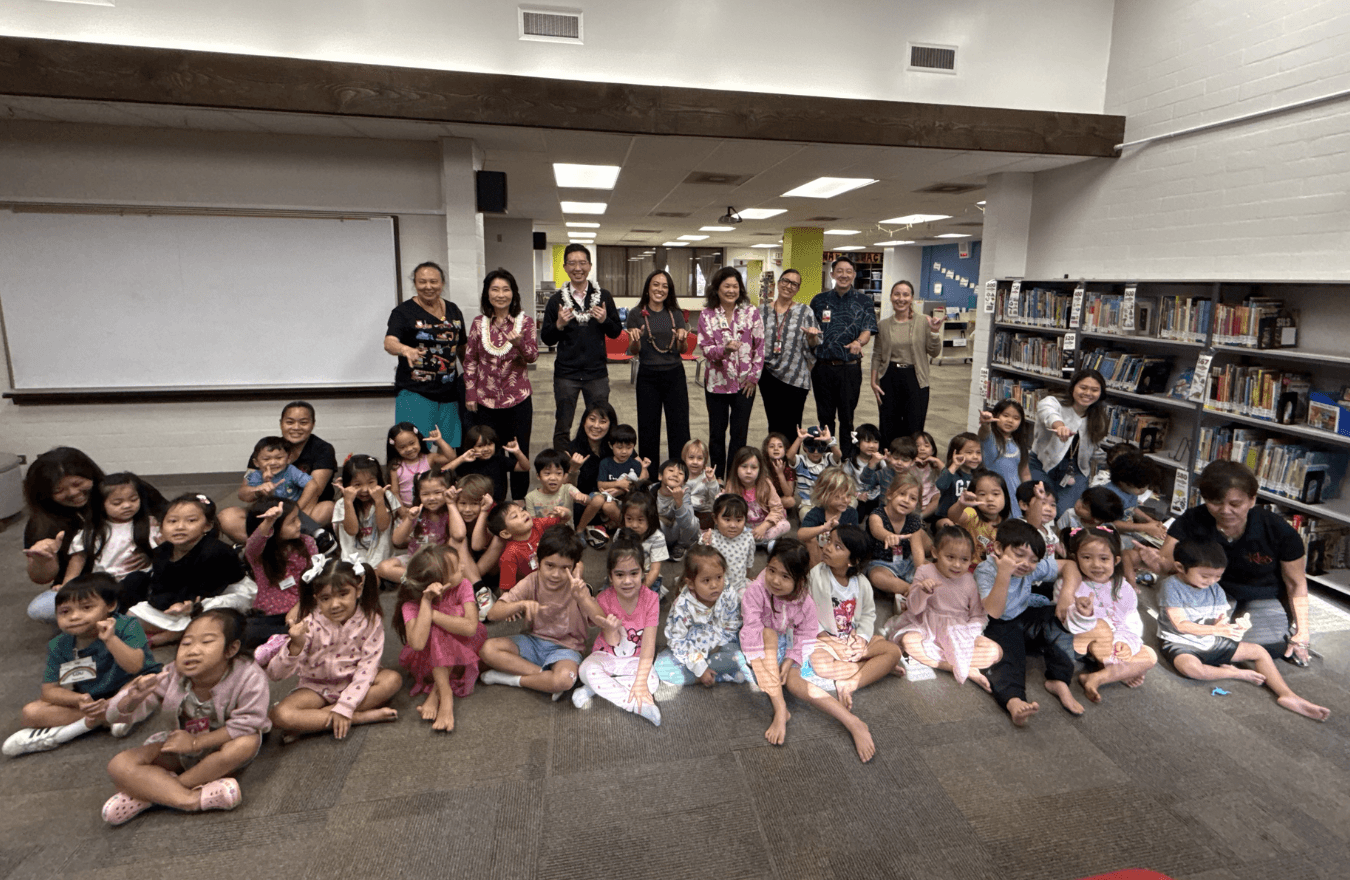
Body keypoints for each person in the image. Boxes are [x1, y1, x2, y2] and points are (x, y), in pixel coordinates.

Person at [101, 609, 268, 824]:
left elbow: (249, 723)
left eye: (206, 642)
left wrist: (197, 742)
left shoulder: (249, 675)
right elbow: (116, 717)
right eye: (186, 644)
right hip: (180, 746)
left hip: (224, 743)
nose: (192, 651)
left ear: (231, 649)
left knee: (245, 743)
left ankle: (153, 794)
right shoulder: (171, 675)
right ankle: (193, 798)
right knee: (119, 764)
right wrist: (132, 698)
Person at [1147, 460, 1314, 666]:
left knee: (1270, 647)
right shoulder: (1192, 519)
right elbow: (1166, 564)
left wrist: (1303, 632)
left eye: (1235, 504)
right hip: (1208, 589)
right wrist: (1155, 564)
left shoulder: (1278, 530)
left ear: (1252, 500)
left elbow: (1296, 584)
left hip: (1261, 593)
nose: (1225, 510)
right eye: (1215, 502)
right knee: (1200, 637)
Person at [1157, 539, 1328, 721]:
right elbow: (1181, 625)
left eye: (1217, 576)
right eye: (1205, 576)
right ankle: (1233, 672)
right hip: (1180, 642)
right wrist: (1219, 631)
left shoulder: (1215, 589)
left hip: (1210, 640)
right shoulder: (1171, 586)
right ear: (1180, 567)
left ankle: (1287, 694)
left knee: (1259, 651)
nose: (1212, 581)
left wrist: (1236, 625)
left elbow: (1220, 619)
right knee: (1191, 669)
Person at [742, 538, 876, 762]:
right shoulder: (756, 590)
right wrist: (768, 660)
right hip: (761, 642)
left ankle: (852, 721)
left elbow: (806, 634)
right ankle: (780, 708)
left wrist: (789, 660)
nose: (775, 580)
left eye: (785, 576)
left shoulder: (805, 601)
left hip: (789, 644)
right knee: (768, 634)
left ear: (800, 579)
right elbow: (751, 628)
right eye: (771, 571)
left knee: (795, 682)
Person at [4, 574, 160, 757]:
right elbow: (49, 691)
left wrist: (110, 640)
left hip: (129, 685)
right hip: (93, 699)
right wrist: (80, 700)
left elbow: (134, 666)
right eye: (64, 612)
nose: (74, 616)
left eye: (86, 608)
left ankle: (67, 732)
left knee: (147, 683)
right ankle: (112, 717)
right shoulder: (59, 644)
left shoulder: (127, 625)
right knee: (30, 713)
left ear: (110, 606)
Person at [266, 559, 402, 741]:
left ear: (359, 589)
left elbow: (367, 667)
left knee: (392, 680)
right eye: (325, 598)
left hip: (356, 682)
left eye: (343, 594)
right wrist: (295, 646)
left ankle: (317, 721)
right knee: (279, 715)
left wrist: (346, 704)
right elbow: (275, 674)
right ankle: (357, 718)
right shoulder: (309, 624)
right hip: (316, 687)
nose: (335, 604)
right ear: (316, 599)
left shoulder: (371, 620)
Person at [480, 526, 605, 700]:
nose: (555, 574)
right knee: (487, 649)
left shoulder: (577, 587)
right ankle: (544, 678)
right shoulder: (532, 581)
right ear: (538, 562)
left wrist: (584, 598)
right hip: (532, 641)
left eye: (564, 568)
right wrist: (521, 604)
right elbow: (493, 614)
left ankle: (511, 679)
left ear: (574, 567)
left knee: (564, 680)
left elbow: (602, 621)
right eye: (550, 565)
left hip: (567, 648)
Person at [975, 519, 1080, 726]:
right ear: (997, 548)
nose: (1026, 564)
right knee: (1006, 657)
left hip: (1022, 616)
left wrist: (1066, 596)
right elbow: (994, 612)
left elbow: (1070, 566)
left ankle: (1058, 680)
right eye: (1019, 555)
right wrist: (1004, 573)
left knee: (1060, 619)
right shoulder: (985, 571)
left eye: (1033, 560)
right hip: (995, 623)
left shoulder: (1031, 567)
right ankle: (1014, 701)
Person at [884, 526, 1000, 689]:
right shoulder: (925, 571)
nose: (957, 565)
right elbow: (914, 608)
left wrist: (968, 633)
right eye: (950, 557)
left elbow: (978, 615)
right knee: (909, 641)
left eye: (964, 560)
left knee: (995, 652)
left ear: (971, 559)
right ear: (935, 552)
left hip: (958, 630)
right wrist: (923, 592)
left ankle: (956, 660)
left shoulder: (970, 581)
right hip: (928, 627)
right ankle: (959, 667)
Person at [127, 495, 250, 646]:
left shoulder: (215, 552)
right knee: (132, 615)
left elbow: (211, 589)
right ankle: (182, 629)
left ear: (207, 526)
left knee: (213, 611)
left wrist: (189, 605)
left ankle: (171, 635)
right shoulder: (161, 552)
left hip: (222, 592)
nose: (180, 527)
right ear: (161, 527)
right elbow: (160, 586)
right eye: (172, 521)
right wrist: (169, 604)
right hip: (183, 597)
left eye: (191, 521)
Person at [805, 525, 903, 710]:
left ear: (853, 561)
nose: (827, 547)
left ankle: (850, 683)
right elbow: (806, 612)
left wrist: (861, 639)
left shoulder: (862, 584)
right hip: (824, 639)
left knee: (894, 651)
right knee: (821, 667)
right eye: (829, 541)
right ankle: (875, 669)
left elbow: (868, 614)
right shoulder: (816, 576)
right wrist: (828, 640)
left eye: (838, 546)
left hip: (852, 640)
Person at [572, 531, 663, 725]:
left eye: (634, 573)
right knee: (585, 670)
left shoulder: (651, 599)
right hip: (607, 655)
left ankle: (595, 688)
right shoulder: (605, 598)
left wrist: (640, 683)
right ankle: (637, 706)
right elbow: (606, 633)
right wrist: (584, 600)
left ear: (643, 572)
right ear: (610, 576)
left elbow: (648, 648)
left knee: (652, 682)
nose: (627, 581)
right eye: (620, 574)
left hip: (635, 659)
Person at [394, 544, 487, 732]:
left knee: (441, 628)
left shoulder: (463, 585)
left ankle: (441, 695)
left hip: (466, 650)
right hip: (427, 663)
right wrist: (427, 602)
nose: (462, 568)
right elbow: (418, 644)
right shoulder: (411, 604)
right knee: (438, 633)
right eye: (455, 569)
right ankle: (444, 693)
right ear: (439, 581)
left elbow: (470, 628)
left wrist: (433, 616)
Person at [464, 268, 538, 501]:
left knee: (518, 452)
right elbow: (470, 360)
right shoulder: (478, 324)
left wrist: (519, 344)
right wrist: (470, 393)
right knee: (490, 454)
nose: (500, 294)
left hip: (518, 400)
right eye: (494, 289)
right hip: (486, 402)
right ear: (487, 294)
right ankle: (493, 503)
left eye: (506, 289)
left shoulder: (525, 323)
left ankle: (518, 502)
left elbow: (533, 356)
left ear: (513, 294)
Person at [1058, 527, 1157, 703]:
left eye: (1104, 559)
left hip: (1115, 642)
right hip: (1082, 642)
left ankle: (1097, 677)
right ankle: (1119, 671)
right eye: (1086, 557)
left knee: (1149, 655)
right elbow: (1064, 620)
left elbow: (1131, 623)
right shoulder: (1070, 583)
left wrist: (1124, 644)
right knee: (1101, 627)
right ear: (1075, 558)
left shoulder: (1123, 588)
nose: (1096, 565)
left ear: (1116, 560)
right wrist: (1083, 613)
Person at [540, 244, 623, 452]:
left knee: (600, 423)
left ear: (590, 266)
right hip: (566, 374)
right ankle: (562, 469)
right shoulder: (556, 300)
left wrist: (605, 320)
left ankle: (597, 466)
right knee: (563, 424)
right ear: (566, 267)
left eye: (582, 263)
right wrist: (558, 325)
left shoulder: (603, 296)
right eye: (572, 263)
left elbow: (616, 332)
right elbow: (547, 339)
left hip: (596, 373)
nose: (578, 267)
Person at [219, 402, 338, 543]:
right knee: (226, 517)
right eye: (290, 422)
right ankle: (271, 545)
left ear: (312, 424)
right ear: (281, 423)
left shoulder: (323, 449)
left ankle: (273, 542)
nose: (296, 427)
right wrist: (258, 489)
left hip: (305, 509)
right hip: (269, 511)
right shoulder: (266, 449)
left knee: (329, 508)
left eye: (303, 422)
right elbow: (244, 493)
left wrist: (290, 518)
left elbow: (314, 490)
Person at [384, 261, 468, 449]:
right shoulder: (403, 312)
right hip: (415, 393)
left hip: (449, 393)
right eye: (422, 282)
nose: (428, 287)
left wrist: (471, 376)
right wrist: (406, 350)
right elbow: (389, 342)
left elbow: (462, 346)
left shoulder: (454, 310)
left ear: (442, 283)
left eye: (433, 281)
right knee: (417, 450)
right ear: (415, 283)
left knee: (450, 448)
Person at [22, 447, 104, 624]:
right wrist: (43, 560)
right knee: (40, 609)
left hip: (132, 576)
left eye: (77, 483)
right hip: (83, 587)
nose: (73, 493)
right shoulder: (41, 523)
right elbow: (40, 578)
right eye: (59, 490)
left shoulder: (119, 494)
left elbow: (169, 517)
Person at [698, 266, 765, 478]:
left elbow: (760, 347)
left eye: (735, 286)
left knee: (739, 434)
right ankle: (717, 480)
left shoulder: (751, 312)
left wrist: (754, 378)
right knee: (716, 434)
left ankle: (735, 479)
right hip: (717, 384)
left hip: (745, 385)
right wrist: (724, 351)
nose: (731, 290)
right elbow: (706, 349)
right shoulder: (706, 315)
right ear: (716, 288)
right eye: (726, 286)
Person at [63, 472, 164, 611]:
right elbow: (78, 559)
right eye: (117, 503)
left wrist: (152, 555)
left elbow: (167, 551)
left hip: (140, 582)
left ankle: (124, 617)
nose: (127, 505)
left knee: (136, 580)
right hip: (104, 583)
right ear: (101, 504)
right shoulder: (93, 531)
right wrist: (67, 585)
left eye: (134, 499)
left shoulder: (150, 524)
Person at [811, 257, 878, 460]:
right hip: (822, 367)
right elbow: (811, 330)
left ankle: (848, 458)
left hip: (849, 368)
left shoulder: (864, 301)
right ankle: (826, 456)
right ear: (832, 274)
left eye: (848, 271)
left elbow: (868, 329)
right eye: (839, 271)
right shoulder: (819, 300)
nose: (844, 275)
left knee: (847, 417)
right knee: (825, 417)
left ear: (854, 275)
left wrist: (859, 342)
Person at [654, 545, 750, 686]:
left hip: (721, 646)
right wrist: (699, 666)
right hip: (692, 651)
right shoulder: (682, 606)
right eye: (706, 580)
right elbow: (677, 640)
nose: (715, 585)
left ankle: (711, 674)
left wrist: (722, 644)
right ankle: (712, 676)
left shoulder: (727, 591)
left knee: (741, 656)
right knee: (662, 667)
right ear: (691, 583)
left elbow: (733, 621)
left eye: (719, 577)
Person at [626, 269, 691, 465]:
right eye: (656, 284)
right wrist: (635, 338)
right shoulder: (636, 314)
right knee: (648, 427)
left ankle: (678, 472)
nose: (659, 289)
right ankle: (649, 474)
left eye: (665, 286)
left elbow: (682, 349)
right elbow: (634, 351)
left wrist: (681, 338)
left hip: (674, 374)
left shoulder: (675, 314)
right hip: (648, 375)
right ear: (647, 288)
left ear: (669, 290)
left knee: (679, 427)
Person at [870, 280, 943, 445]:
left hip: (916, 378)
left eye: (905, 294)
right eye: (897, 294)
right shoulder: (883, 325)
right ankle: (889, 462)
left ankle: (910, 463)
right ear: (890, 297)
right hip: (889, 377)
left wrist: (934, 333)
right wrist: (873, 381)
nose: (900, 298)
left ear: (912, 298)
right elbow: (877, 354)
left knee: (914, 425)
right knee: (888, 424)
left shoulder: (924, 321)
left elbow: (934, 352)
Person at [241, 498, 317, 648]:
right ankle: (284, 640)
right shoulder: (259, 555)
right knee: (245, 632)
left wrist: (300, 607)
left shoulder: (307, 542)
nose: (299, 524)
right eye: (292, 521)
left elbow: (316, 577)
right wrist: (268, 522)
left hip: (304, 608)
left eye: (298, 519)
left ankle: (285, 640)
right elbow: (252, 545)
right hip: (271, 615)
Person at [1030, 368, 1108, 511]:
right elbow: (1048, 412)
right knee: (1042, 508)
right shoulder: (1053, 403)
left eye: (1094, 390)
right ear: (1073, 387)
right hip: (1042, 464)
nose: (1088, 393)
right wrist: (1059, 426)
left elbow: (1094, 449)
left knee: (1065, 512)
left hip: (1075, 470)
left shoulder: (1098, 418)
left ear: (1101, 393)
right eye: (1083, 387)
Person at [758, 269, 822, 439]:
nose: (789, 286)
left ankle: (792, 463)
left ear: (798, 289)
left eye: (794, 284)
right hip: (768, 375)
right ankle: (775, 463)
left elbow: (815, 345)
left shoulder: (805, 311)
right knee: (774, 423)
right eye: (785, 281)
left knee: (793, 425)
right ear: (778, 283)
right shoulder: (761, 311)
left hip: (796, 376)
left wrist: (812, 337)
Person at [377, 470, 462, 584]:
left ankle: (419, 582)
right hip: (415, 559)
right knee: (384, 567)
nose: (431, 498)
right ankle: (422, 583)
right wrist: (410, 519)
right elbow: (397, 540)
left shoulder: (451, 513)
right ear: (418, 495)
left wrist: (451, 503)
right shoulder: (417, 513)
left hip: (440, 563)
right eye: (425, 494)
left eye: (438, 492)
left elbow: (459, 534)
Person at [332, 455, 401, 568]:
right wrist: (348, 502)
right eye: (358, 484)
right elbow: (352, 530)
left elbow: (383, 526)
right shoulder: (342, 503)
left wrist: (379, 500)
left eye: (371, 482)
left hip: (382, 561)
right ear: (347, 484)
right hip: (352, 562)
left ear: (378, 480)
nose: (365, 489)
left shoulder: (386, 497)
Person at [723, 446, 789, 550]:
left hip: (765, 524)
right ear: (736, 468)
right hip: (743, 527)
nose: (748, 471)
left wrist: (764, 526)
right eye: (744, 466)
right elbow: (729, 513)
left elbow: (777, 509)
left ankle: (750, 542)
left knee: (785, 525)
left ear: (760, 469)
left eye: (754, 467)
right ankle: (764, 543)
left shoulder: (766, 484)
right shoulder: (732, 485)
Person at [448, 424, 531, 503]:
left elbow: (525, 467)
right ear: (471, 447)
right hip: (472, 504)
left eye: (490, 444)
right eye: (480, 446)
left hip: (497, 504)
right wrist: (461, 458)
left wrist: (517, 452)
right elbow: (443, 472)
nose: (486, 449)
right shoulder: (466, 462)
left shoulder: (499, 460)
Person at [978, 401, 1033, 516]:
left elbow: (1025, 474)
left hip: (1014, 492)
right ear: (996, 415)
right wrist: (985, 423)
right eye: (1005, 415)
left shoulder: (1019, 445)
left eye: (1016, 418)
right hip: (992, 492)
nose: (1010, 420)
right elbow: (984, 431)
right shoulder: (989, 437)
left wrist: (1028, 494)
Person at [949, 468, 1012, 563]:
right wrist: (961, 505)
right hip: (967, 566)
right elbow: (953, 516)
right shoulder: (972, 514)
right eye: (982, 494)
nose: (990, 499)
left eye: (995, 494)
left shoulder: (1007, 525)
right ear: (974, 496)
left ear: (1005, 497)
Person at [384, 422, 454, 506]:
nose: (409, 449)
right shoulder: (395, 467)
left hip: (430, 507)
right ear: (395, 448)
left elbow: (451, 457)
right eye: (402, 447)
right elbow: (395, 493)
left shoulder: (429, 458)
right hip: (408, 509)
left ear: (419, 440)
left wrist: (439, 440)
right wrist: (403, 512)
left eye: (412, 443)